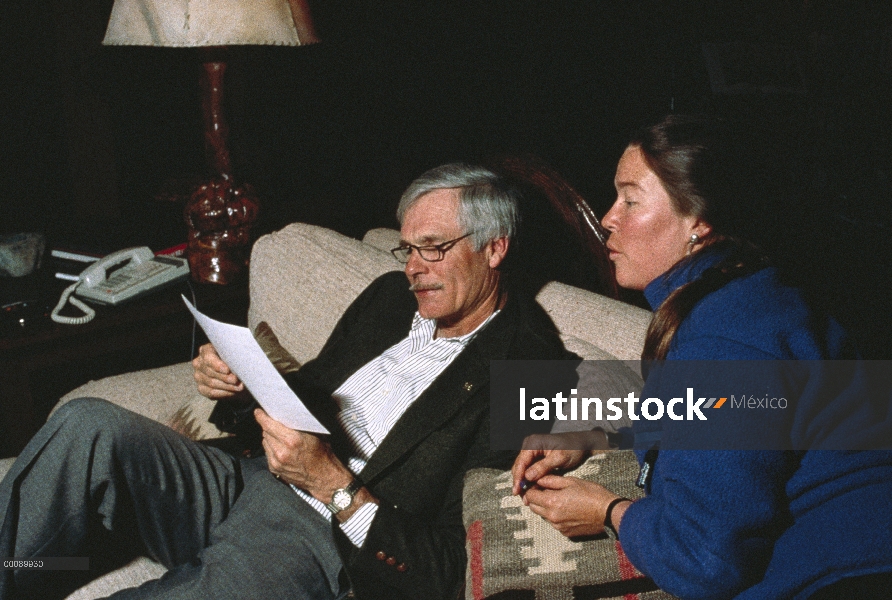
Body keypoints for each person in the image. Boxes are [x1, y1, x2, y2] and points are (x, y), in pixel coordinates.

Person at [0, 163, 573, 600]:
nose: (412, 267)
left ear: (495, 247)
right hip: (244, 476)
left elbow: (454, 563)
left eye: (433, 248)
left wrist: (333, 486)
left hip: (318, 533)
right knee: (89, 422)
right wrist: (238, 387)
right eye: (407, 247)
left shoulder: (532, 372)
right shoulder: (389, 300)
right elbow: (311, 398)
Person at [511, 114, 892, 600]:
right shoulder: (748, 295)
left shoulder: (725, 339)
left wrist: (608, 511)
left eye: (630, 200)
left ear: (699, 221)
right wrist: (590, 433)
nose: (609, 218)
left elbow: (703, 561)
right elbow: (734, 417)